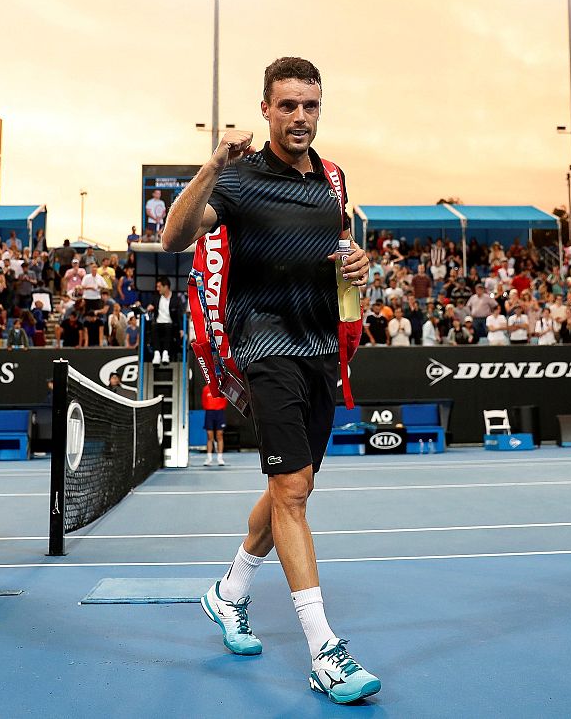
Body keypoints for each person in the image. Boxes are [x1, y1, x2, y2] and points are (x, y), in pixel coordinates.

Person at [161, 56, 381, 704]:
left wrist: (359, 263)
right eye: (287, 105)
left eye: (310, 105)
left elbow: (337, 249)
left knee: (295, 484)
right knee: (291, 489)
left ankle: (228, 592)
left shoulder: (334, 179)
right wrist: (211, 166)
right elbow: (173, 237)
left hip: (320, 352)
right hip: (263, 346)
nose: (301, 117)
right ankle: (325, 651)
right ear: (265, 109)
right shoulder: (237, 182)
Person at [202, 377, 229, 467]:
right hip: (209, 413)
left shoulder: (221, 388)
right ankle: (209, 458)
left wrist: (219, 408)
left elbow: (225, 401)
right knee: (210, 436)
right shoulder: (206, 389)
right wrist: (210, 408)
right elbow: (204, 402)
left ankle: (220, 458)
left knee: (219, 435)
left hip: (219, 413)